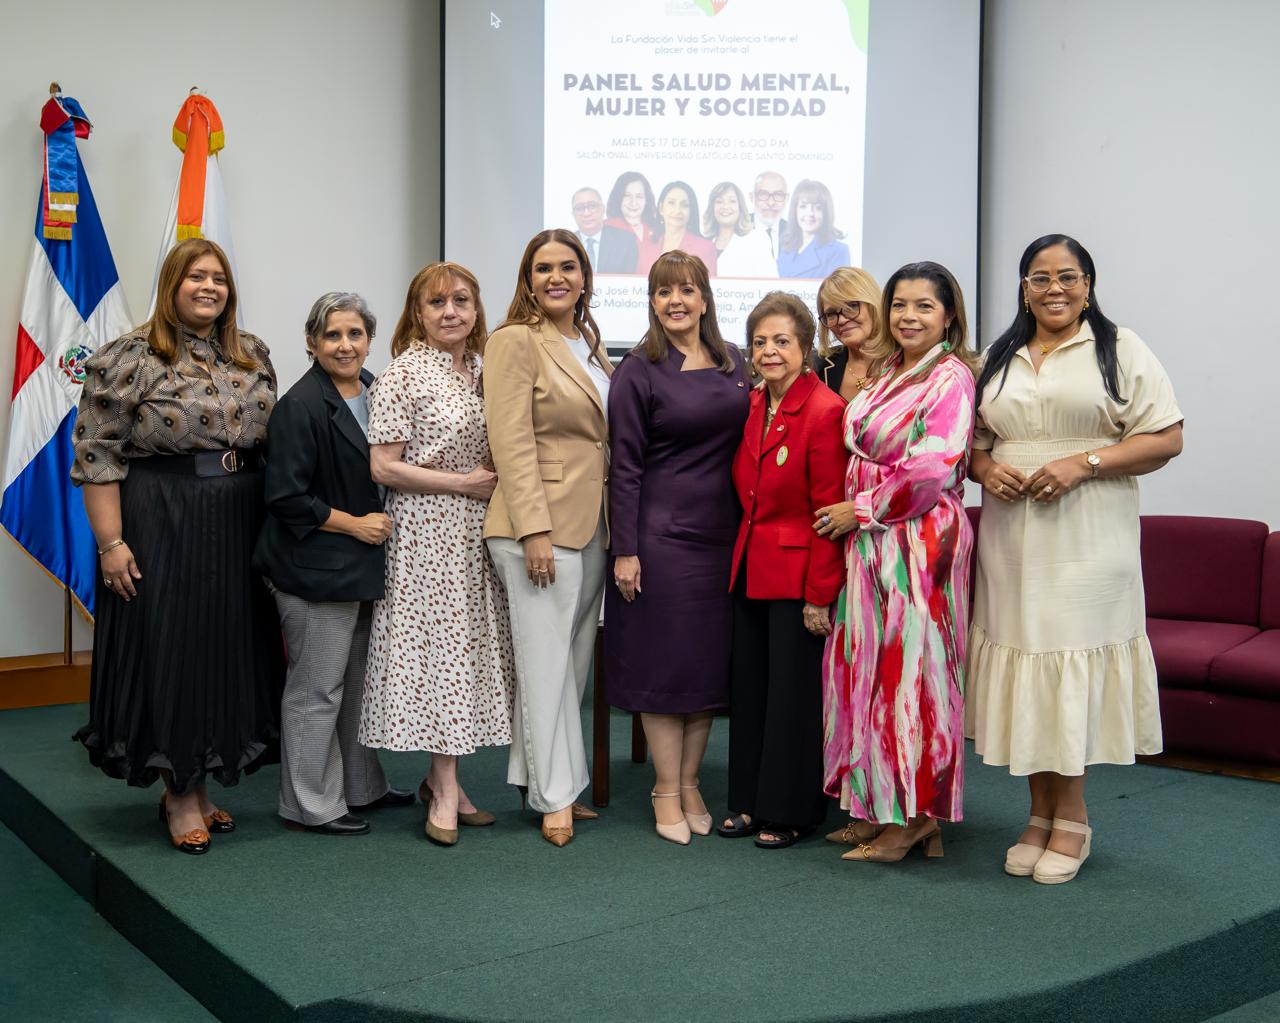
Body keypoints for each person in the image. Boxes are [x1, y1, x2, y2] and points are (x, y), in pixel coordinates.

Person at [965, 235, 1183, 885]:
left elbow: (1166, 437)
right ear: (1023, 287)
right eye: (1040, 277)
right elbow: (972, 445)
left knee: (1068, 667)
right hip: (1012, 540)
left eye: (1068, 275)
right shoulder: (997, 357)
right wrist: (987, 468)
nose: (1054, 288)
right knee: (1027, 661)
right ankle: (1037, 813)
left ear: (1089, 283)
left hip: (1090, 540)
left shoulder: (1120, 348)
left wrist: (1082, 462)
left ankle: (1074, 817)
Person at [70, 237, 283, 855]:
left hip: (242, 515)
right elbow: (97, 454)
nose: (209, 287)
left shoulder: (251, 354)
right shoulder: (127, 357)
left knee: (227, 648)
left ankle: (203, 780)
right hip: (163, 516)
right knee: (172, 649)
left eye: (219, 277)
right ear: (172, 284)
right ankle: (180, 792)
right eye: (196, 276)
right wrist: (111, 543)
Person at [816, 261, 978, 864]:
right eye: (900, 305)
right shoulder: (889, 370)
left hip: (918, 539)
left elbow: (933, 469)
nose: (909, 316)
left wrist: (860, 509)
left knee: (914, 677)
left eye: (924, 307)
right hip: (874, 543)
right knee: (871, 676)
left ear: (949, 315)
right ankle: (887, 808)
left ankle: (915, 817)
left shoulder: (951, 377)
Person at [360, 263, 516, 847]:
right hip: (427, 530)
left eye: (461, 300)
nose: (450, 311)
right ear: (417, 312)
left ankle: (441, 779)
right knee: (440, 658)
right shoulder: (402, 373)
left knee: (472, 651)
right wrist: (461, 484)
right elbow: (383, 466)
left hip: (480, 529)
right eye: (436, 303)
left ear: (476, 309)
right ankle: (446, 790)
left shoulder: (483, 369)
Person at [253, 293, 412, 837]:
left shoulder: (375, 389)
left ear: (370, 339)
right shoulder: (300, 405)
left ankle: (362, 787)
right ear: (311, 341)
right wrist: (355, 524)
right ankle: (310, 805)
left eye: (355, 334)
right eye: (332, 335)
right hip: (312, 566)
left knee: (357, 683)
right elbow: (285, 497)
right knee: (316, 690)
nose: (345, 345)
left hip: (359, 566)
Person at [605, 252, 750, 845]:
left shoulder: (736, 361)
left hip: (723, 538)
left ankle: (690, 782)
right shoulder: (638, 370)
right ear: (652, 301)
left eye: (686, 290)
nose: (676, 301)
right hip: (660, 539)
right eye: (664, 292)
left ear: (705, 297)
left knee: (703, 667)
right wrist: (626, 548)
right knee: (664, 667)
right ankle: (665, 787)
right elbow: (625, 467)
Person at [483, 229, 612, 848]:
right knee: (544, 665)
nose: (555, 277)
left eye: (567, 266)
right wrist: (534, 529)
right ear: (527, 280)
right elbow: (510, 441)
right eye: (542, 268)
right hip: (538, 527)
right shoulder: (513, 341)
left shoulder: (586, 341)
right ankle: (555, 797)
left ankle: (541, 780)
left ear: (584, 277)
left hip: (592, 523)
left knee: (570, 665)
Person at [719, 292, 846, 849]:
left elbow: (828, 513)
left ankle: (791, 810)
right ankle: (746, 801)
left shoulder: (823, 410)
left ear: (805, 347)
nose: (770, 351)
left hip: (798, 580)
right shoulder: (751, 404)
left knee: (792, 699)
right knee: (750, 693)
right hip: (750, 569)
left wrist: (820, 595)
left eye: (782, 342)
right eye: (761, 342)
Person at [812, 267, 883, 403]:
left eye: (851, 307)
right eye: (831, 314)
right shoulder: (817, 368)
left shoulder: (904, 361)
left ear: (872, 304)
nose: (842, 320)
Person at [637, 181, 718, 277]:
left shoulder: (705, 248)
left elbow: (707, 289)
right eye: (671, 203)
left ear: (691, 212)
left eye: (684, 205)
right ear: (661, 208)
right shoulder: (645, 245)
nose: (677, 210)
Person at [778, 180, 850, 280]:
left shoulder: (838, 251)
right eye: (803, 206)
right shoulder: (786, 248)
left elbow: (838, 293)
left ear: (826, 213)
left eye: (818, 208)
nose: (810, 213)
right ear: (795, 210)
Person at [703, 181, 776, 278]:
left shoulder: (757, 240)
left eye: (732, 201)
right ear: (712, 208)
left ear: (740, 207)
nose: (725, 206)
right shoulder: (704, 244)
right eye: (719, 201)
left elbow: (771, 283)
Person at [571, 186, 639, 274]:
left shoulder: (626, 241)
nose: (586, 213)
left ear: (603, 209)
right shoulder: (565, 243)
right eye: (580, 208)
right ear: (573, 214)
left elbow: (628, 281)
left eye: (592, 206)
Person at [604, 171, 658, 248]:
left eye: (639, 196)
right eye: (627, 195)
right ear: (618, 198)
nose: (633, 203)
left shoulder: (656, 229)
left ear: (647, 200)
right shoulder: (606, 228)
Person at [750, 170, 789, 264]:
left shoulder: (797, 232)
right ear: (752, 197)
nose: (771, 203)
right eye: (763, 194)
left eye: (778, 195)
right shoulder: (736, 228)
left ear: (787, 199)